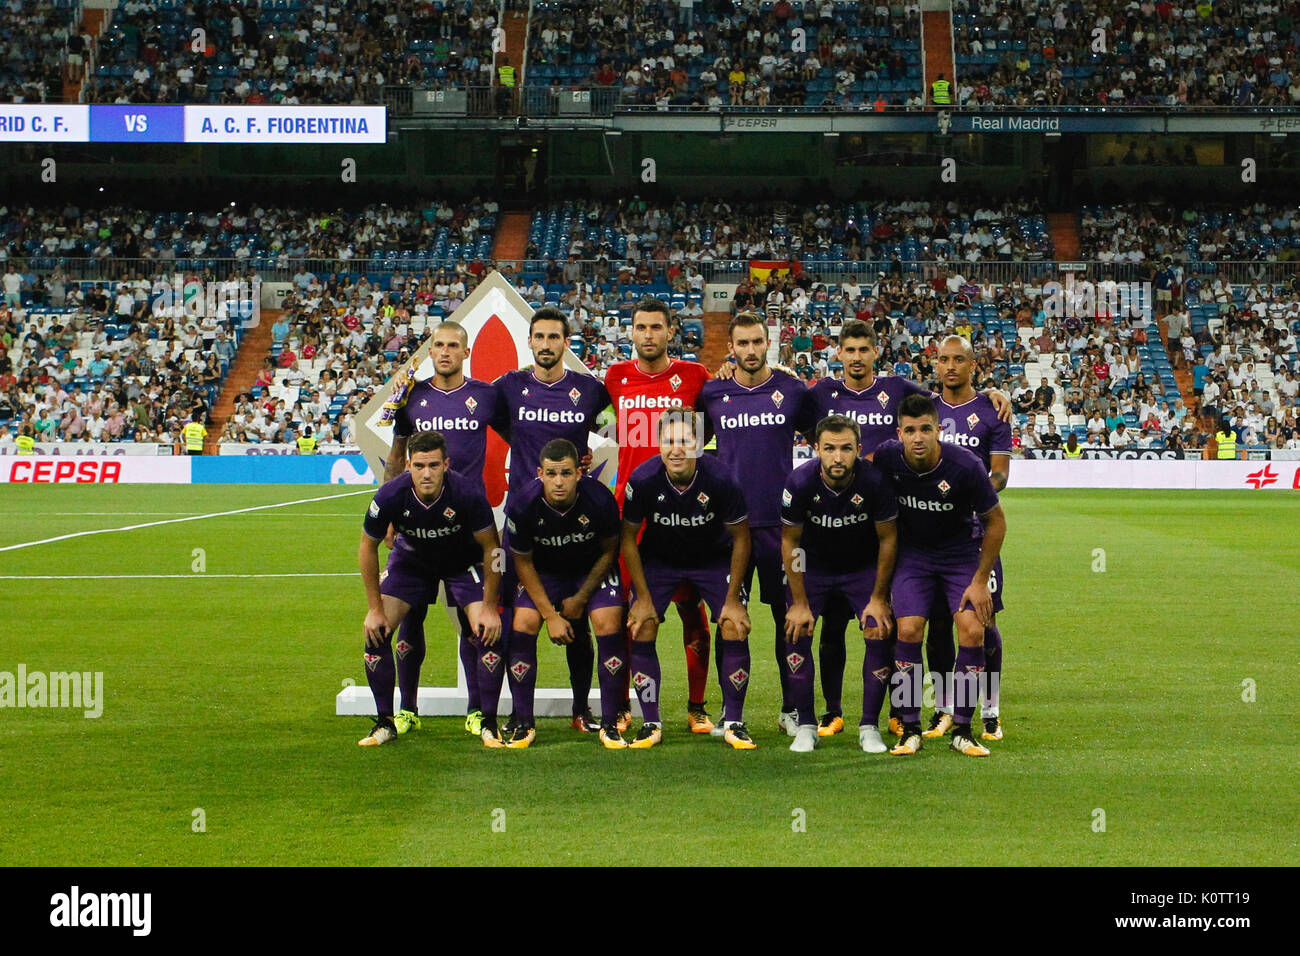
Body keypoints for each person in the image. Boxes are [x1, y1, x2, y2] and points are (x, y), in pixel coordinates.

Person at [380, 320, 506, 738]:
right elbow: (397, 455)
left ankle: (476, 710)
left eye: (454, 345)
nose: (446, 352)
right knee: (410, 618)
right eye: (439, 345)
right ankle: (407, 709)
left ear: (466, 352)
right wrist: (390, 513)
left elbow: (519, 438)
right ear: (430, 351)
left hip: (466, 532)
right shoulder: (411, 397)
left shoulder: (486, 396)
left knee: (473, 625)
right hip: (416, 529)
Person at [697, 312, 816, 739]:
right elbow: (685, 443)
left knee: (792, 618)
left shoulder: (792, 390)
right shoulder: (712, 392)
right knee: (730, 619)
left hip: (782, 528)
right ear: (730, 348)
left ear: (769, 344)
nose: (750, 350)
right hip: (730, 529)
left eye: (757, 342)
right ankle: (733, 716)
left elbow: (830, 430)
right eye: (742, 343)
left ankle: (794, 710)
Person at [496, 307, 612, 736]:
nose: (546, 345)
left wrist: (589, 455)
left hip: (575, 520)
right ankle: (520, 714)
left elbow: (614, 425)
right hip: (526, 519)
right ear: (530, 341)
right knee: (521, 620)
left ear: (567, 343)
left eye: (554, 338)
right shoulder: (509, 388)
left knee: (578, 621)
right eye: (539, 337)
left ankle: (582, 709)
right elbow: (493, 426)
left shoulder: (589, 391)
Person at [603, 297, 716, 733]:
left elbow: (713, 423)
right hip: (630, 518)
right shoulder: (615, 378)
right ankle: (630, 704)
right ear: (631, 332)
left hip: (684, 516)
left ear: (671, 331)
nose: (648, 335)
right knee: (633, 616)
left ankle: (697, 705)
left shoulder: (695, 377)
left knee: (694, 615)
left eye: (656, 327)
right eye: (640, 327)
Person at [873, 394, 1006, 758]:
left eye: (926, 429)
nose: (918, 437)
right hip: (913, 556)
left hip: (961, 554)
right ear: (899, 433)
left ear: (939, 430)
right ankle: (909, 726)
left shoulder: (964, 465)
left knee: (973, 629)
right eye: (911, 430)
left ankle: (963, 728)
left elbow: (996, 523)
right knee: (909, 630)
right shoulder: (886, 457)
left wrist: (979, 581)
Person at [357, 431, 502, 747]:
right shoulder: (390, 495)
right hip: (412, 562)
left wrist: (490, 607)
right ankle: (386, 722)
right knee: (375, 632)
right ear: (408, 464)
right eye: (419, 465)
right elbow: (367, 547)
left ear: (446, 464)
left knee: (487, 628)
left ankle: (487, 721)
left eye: (434, 465)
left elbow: (494, 548)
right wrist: (374, 609)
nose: (426, 473)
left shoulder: (467, 492)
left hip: (462, 563)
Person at [621, 411, 754, 749]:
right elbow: (628, 538)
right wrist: (642, 598)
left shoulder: (722, 479)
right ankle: (650, 722)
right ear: (659, 445)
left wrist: (735, 599)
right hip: (661, 562)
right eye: (669, 442)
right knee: (643, 625)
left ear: (698, 444)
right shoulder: (643, 479)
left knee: (733, 625)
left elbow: (741, 537)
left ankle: (735, 722)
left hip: (713, 560)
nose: (676, 449)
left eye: (684, 441)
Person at [781, 415, 898, 754]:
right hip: (813, 567)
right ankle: (805, 725)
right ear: (815, 448)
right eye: (829, 449)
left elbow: (888, 540)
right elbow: (791, 543)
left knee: (878, 628)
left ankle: (869, 726)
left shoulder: (874, 482)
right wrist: (799, 601)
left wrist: (878, 597)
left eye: (846, 449)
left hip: (861, 568)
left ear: (858, 450)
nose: (837, 457)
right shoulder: (799, 482)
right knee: (797, 629)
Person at [506, 439, 624, 749]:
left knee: (607, 622)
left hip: (590, 571)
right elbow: (523, 561)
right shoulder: (522, 504)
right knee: (524, 623)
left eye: (567, 473)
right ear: (540, 473)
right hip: (543, 575)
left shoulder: (600, 499)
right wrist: (551, 615)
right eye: (552, 473)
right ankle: (523, 721)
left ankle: (607, 722)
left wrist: (581, 598)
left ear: (579, 474)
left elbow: (610, 552)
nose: (559, 482)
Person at [930, 336, 1012, 741]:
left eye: (958, 360)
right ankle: (944, 707)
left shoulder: (991, 412)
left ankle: (990, 708)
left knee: (983, 619)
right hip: (929, 535)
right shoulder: (925, 408)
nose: (950, 366)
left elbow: (1000, 475)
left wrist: (969, 495)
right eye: (943, 359)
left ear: (973, 365)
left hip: (976, 535)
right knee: (937, 623)